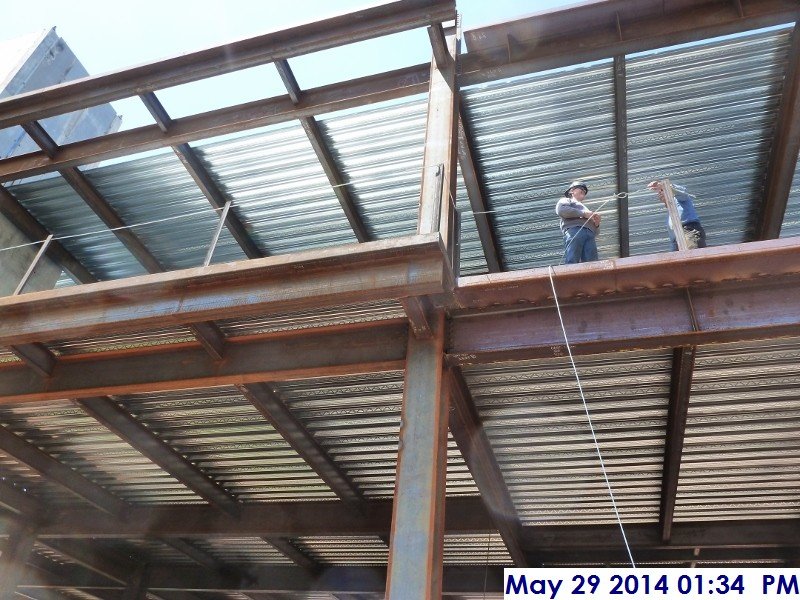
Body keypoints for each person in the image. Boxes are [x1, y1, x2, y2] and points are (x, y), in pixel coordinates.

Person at [647, 180, 706, 250]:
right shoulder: (671, 210)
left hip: (688, 231)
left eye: (662, 191)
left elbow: (682, 192)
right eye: (659, 192)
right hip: (676, 238)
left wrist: (664, 185)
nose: (660, 194)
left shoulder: (680, 198)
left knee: (691, 257)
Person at [556, 181, 601, 264]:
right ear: (571, 191)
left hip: (590, 235)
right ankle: (571, 275)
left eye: (585, 191)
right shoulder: (566, 201)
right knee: (572, 258)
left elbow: (596, 233)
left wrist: (596, 224)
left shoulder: (586, 209)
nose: (583, 191)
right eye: (581, 188)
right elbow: (561, 210)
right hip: (574, 231)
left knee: (592, 262)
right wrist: (583, 214)